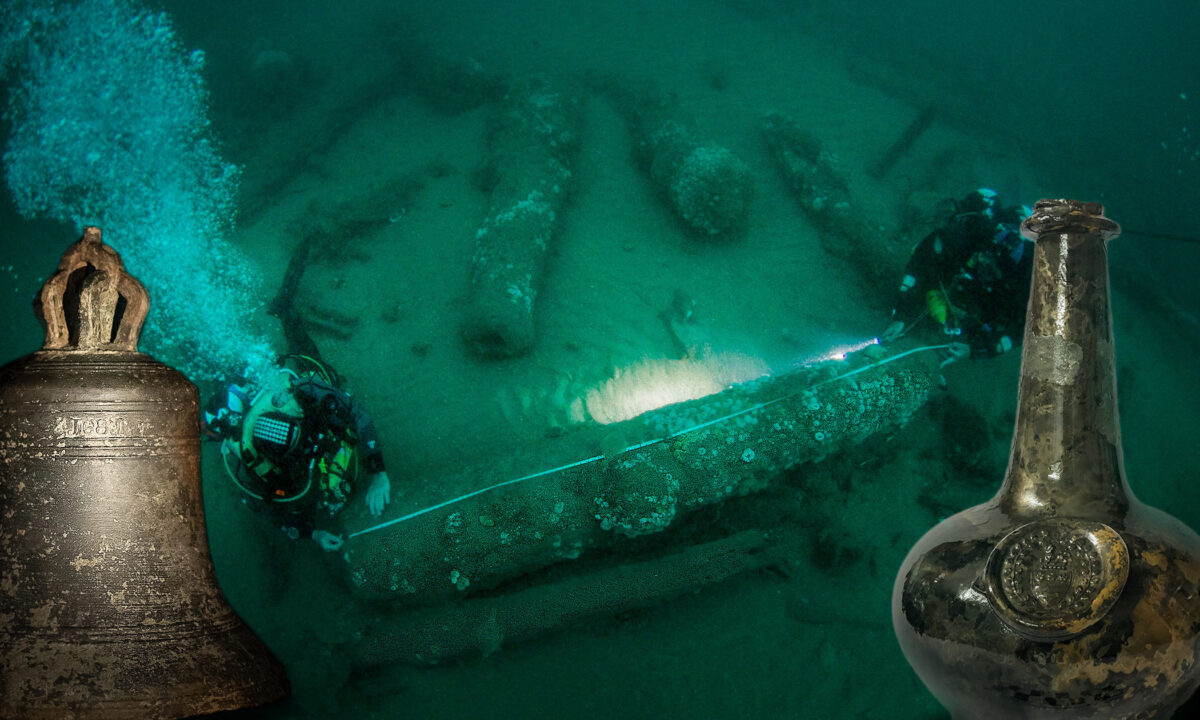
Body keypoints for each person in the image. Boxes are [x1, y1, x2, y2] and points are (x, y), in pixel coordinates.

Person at [203, 354, 391, 551]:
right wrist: (314, 534)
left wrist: (378, 474)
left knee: (324, 372)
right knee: (334, 496)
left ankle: (290, 323)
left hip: (320, 437)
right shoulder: (249, 460)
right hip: (302, 473)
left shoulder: (298, 392)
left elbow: (357, 414)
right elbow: (266, 509)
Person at [881, 188, 1034, 366]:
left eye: (992, 271)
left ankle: (956, 329)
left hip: (997, 297)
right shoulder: (969, 234)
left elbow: (1020, 332)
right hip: (967, 256)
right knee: (936, 267)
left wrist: (974, 350)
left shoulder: (1025, 289)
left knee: (989, 318)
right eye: (984, 262)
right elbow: (921, 261)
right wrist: (900, 314)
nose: (983, 271)